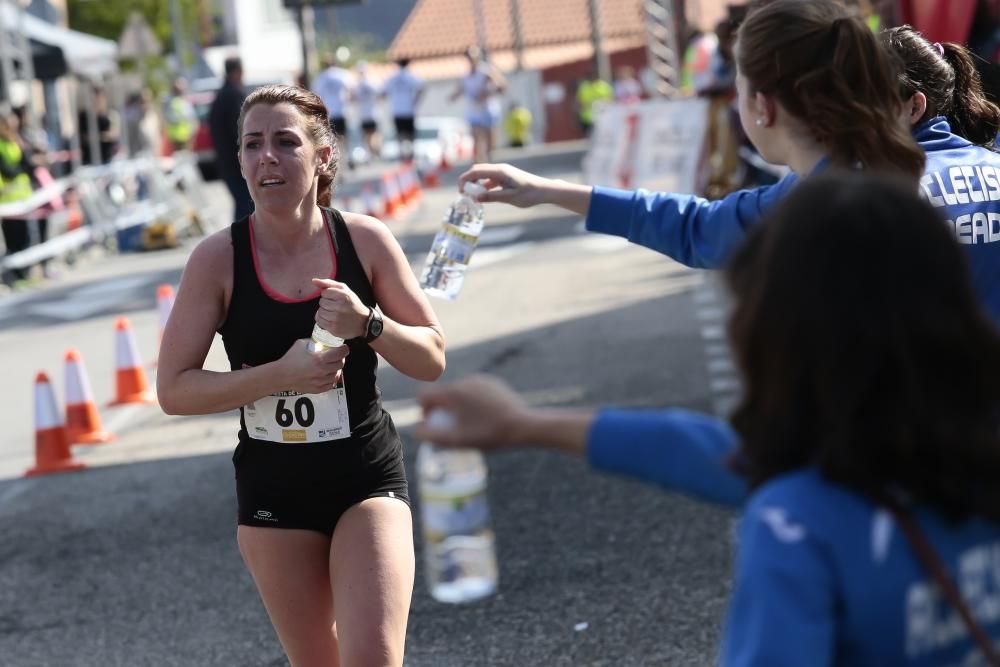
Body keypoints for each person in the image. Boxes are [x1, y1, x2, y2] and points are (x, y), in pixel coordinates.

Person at [417, 171, 1000, 665]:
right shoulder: (965, 458)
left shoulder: (798, 523)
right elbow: (712, 452)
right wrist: (525, 425)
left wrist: (524, 426)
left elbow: (744, 466)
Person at [156, 84, 445, 665]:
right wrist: (280, 374)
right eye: (252, 144)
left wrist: (370, 324)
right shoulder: (216, 259)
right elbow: (174, 390)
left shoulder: (363, 240)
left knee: (373, 658)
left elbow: (432, 357)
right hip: (273, 491)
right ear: (237, 161)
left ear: (322, 156)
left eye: (285, 142)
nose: (267, 157)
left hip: (364, 477)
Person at [209, 57, 253, 221]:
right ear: (237, 72)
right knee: (246, 209)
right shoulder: (234, 95)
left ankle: (239, 242)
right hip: (237, 165)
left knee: (243, 207)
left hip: (226, 163)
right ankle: (240, 244)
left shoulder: (220, 96)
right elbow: (242, 132)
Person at [449, 46, 506, 163]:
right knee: (476, 139)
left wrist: (487, 93)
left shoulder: (486, 71)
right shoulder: (465, 76)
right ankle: (478, 165)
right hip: (473, 111)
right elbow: (460, 90)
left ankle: (491, 163)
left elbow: (501, 87)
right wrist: (452, 97)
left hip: (486, 110)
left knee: (489, 140)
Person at [311, 54, 352, 165]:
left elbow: (316, 96)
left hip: (329, 113)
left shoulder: (320, 78)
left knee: (334, 141)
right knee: (345, 138)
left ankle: (339, 163)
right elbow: (350, 90)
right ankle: (348, 158)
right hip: (342, 111)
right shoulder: (342, 74)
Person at [381, 58, 423, 163]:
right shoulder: (411, 76)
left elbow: (384, 92)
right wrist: (415, 100)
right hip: (408, 109)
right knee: (410, 135)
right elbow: (421, 87)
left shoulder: (392, 77)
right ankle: (411, 153)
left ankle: (402, 154)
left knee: (400, 135)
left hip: (397, 110)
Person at [352, 61, 381, 159]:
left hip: (363, 114)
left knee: (367, 136)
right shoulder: (373, 82)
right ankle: (374, 151)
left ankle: (371, 153)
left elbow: (352, 98)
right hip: (372, 113)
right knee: (374, 134)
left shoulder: (356, 85)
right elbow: (380, 95)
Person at [162, 78, 198, 153]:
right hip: (175, 138)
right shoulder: (169, 101)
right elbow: (168, 117)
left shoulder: (186, 101)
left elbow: (192, 118)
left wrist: (193, 133)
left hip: (187, 136)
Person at [574, 71, 613, 136]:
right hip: (588, 117)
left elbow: (610, 98)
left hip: (603, 115)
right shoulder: (584, 87)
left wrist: (602, 103)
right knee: (591, 136)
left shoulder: (603, 86)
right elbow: (579, 101)